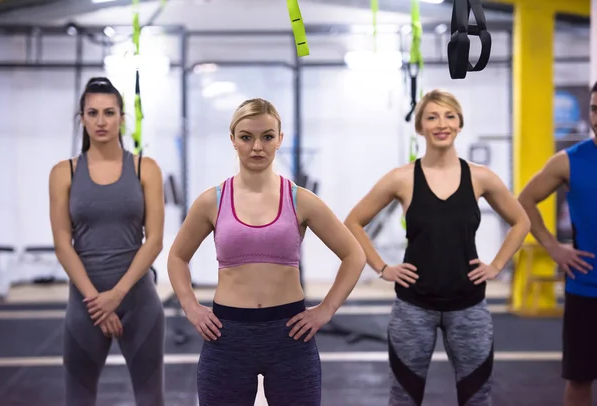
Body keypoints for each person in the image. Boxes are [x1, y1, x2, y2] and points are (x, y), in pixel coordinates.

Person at [167, 98, 366, 406]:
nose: (257, 146)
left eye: (267, 137)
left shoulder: (302, 200)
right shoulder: (212, 201)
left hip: (290, 337)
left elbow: (354, 255)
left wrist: (325, 310)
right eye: (247, 137)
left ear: (279, 140)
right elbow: (178, 256)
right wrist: (192, 308)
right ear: (233, 140)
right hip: (227, 337)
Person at [344, 89, 531, 406]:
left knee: (477, 398)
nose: (441, 123)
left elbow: (521, 222)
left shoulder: (481, 177)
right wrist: (382, 267)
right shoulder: (401, 178)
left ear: (459, 124)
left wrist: (497, 266)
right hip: (413, 308)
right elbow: (353, 222)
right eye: (432, 117)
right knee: (404, 398)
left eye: (449, 116)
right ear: (420, 127)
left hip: (469, 307)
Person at [48, 77, 166, 406]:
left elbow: (154, 240)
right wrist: (97, 302)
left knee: (151, 399)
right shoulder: (63, 173)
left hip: (138, 304)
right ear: (81, 119)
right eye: (93, 112)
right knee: (79, 399)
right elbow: (62, 243)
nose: (101, 121)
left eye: (109, 112)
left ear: (122, 118)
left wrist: (116, 295)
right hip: (86, 307)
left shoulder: (146, 169)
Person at [518, 82, 597, 406]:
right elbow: (524, 201)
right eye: (594, 108)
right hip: (586, 289)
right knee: (579, 381)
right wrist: (553, 247)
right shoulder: (569, 160)